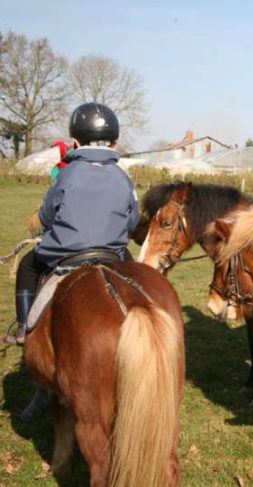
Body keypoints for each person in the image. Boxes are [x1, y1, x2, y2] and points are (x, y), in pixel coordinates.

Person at [12, 102, 139, 420]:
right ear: (113, 142)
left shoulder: (66, 176)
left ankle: (25, 326)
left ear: (76, 142)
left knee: (28, 266)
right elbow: (132, 221)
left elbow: (46, 216)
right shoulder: (123, 178)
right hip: (112, 256)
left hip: (66, 256)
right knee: (136, 277)